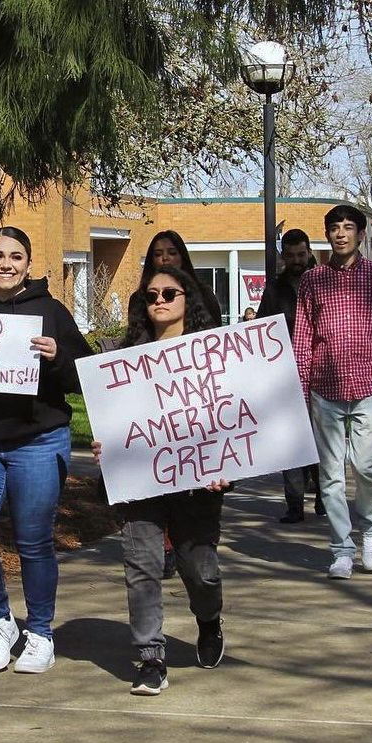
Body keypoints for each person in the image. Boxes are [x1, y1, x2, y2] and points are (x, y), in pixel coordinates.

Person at [0, 226, 91, 673]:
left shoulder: (51, 312)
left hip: (38, 440)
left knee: (33, 542)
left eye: (15, 256)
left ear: (29, 263)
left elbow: (85, 377)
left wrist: (57, 358)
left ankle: (41, 633)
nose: (6, 264)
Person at [92, 265, 229, 696]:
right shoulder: (124, 358)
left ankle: (209, 622)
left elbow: (233, 416)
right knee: (142, 568)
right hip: (140, 483)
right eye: (151, 296)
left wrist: (225, 467)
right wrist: (107, 445)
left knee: (200, 570)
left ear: (189, 298)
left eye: (170, 294)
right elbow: (113, 420)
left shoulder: (213, 356)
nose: (160, 302)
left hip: (197, 485)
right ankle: (150, 658)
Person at [293, 203, 372, 579]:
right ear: (326, 235)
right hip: (324, 388)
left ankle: (371, 529)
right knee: (330, 475)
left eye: (347, 227)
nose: (340, 234)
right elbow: (303, 339)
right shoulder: (313, 280)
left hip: (369, 386)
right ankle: (341, 548)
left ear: (360, 233)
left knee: (366, 466)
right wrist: (299, 389)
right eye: (334, 228)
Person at [128, 230, 221, 576]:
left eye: (171, 252)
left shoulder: (204, 298)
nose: (165, 258)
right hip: (154, 413)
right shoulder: (140, 302)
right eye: (157, 254)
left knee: (200, 563)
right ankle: (164, 547)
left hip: (195, 417)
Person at [257, 228, 321, 523]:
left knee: (322, 439)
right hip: (285, 376)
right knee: (291, 442)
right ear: (284, 256)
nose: (297, 260)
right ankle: (294, 504)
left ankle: (324, 496)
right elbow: (259, 329)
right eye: (291, 255)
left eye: (301, 254)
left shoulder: (324, 282)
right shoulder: (274, 289)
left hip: (322, 373)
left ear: (309, 253)